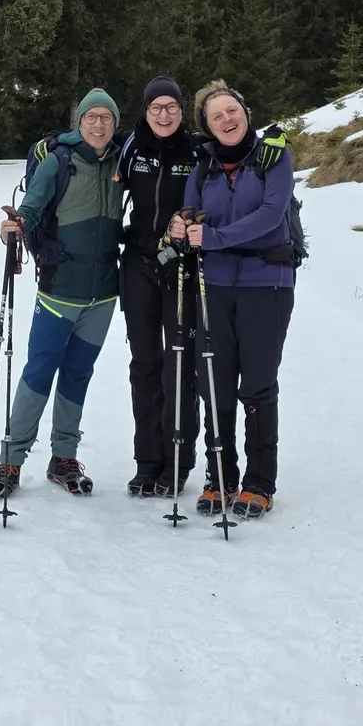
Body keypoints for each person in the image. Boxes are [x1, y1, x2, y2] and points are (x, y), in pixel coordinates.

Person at [0, 88, 125, 498]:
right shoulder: (58, 161)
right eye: (91, 117)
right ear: (79, 121)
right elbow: (30, 209)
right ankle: (10, 460)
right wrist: (14, 227)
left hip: (103, 294)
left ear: (115, 124)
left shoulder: (119, 162)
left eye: (106, 118)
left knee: (78, 374)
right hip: (59, 290)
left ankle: (64, 457)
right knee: (39, 372)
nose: (98, 124)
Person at [169, 83, 296, 520]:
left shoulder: (273, 157)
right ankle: (219, 475)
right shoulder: (202, 165)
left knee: (258, 383)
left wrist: (216, 238)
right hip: (215, 285)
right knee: (215, 381)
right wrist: (181, 227)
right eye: (216, 115)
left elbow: (271, 215)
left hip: (267, 282)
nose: (227, 119)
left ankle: (259, 483)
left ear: (245, 111)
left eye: (232, 110)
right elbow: (189, 211)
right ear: (207, 126)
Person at [114, 77, 201, 498]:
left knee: (179, 367)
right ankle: (147, 461)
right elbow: (89, 147)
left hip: (182, 266)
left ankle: (178, 462)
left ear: (181, 110)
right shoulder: (131, 147)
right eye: (155, 108)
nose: (163, 115)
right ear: (145, 111)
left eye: (171, 107)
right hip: (138, 264)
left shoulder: (198, 149)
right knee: (144, 364)